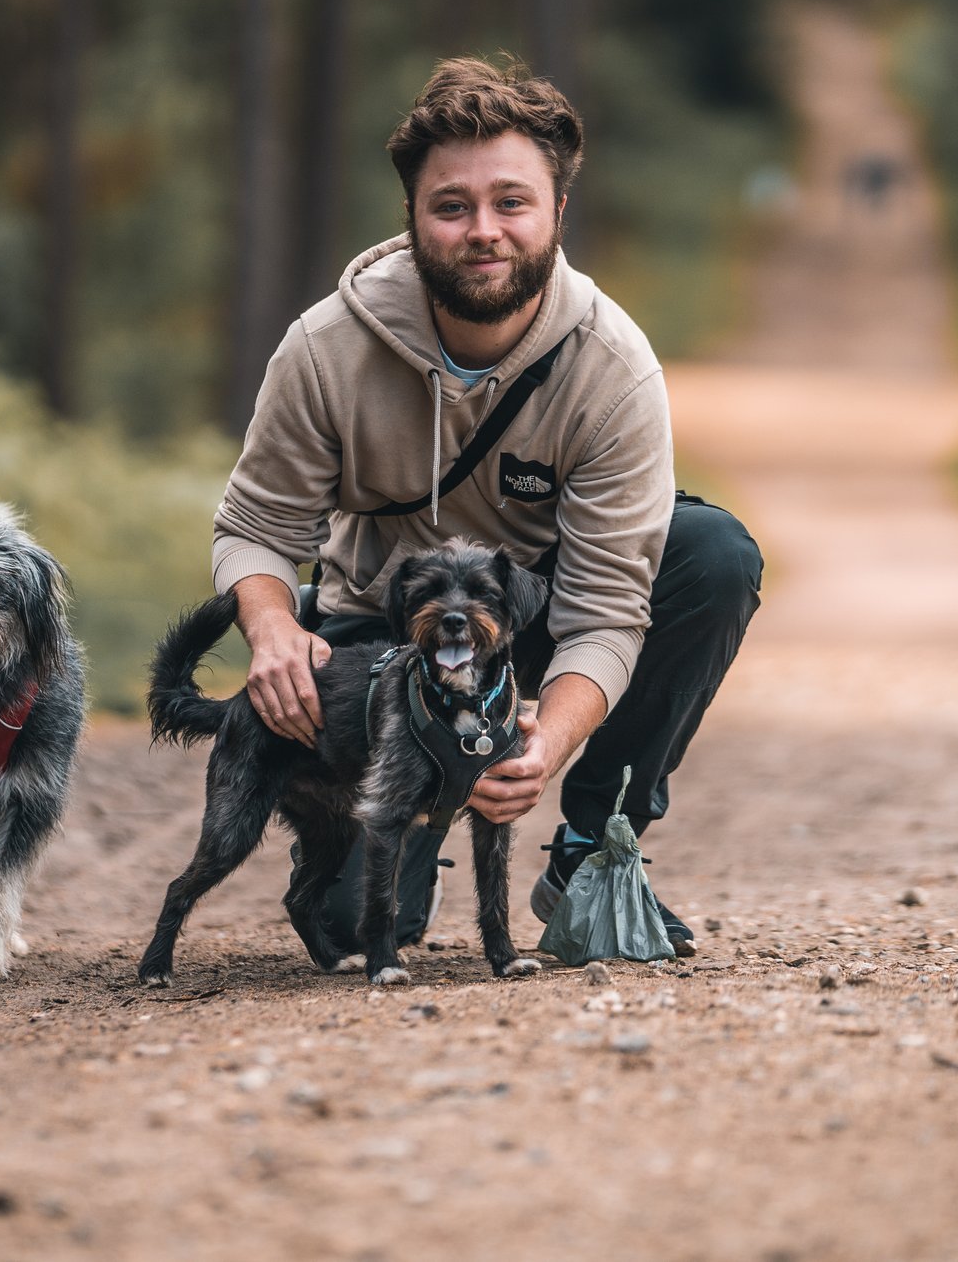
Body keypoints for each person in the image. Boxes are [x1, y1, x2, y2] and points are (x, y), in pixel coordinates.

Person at [212, 56, 763, 955]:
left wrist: (541, 744)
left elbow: (610, 612)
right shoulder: (324, 350)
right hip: (384, 635)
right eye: (452, 205)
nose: (484, 231)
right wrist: (272, 628)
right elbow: (255, 529)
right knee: (356, 930)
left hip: (535, 615)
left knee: (710, 551)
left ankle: (591, 849)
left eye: (512, 202)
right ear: (413, 216)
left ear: (556, 212)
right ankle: (381, 838)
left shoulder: (614, 368)